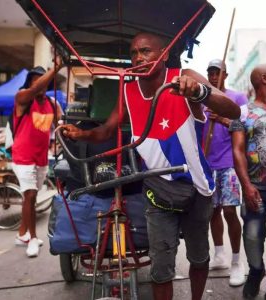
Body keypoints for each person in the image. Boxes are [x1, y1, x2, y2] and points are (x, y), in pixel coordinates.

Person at [61, 32, 241, 300]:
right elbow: (108, 130)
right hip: (157, 188)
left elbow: (233, 111)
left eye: (146, 51)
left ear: (164, 54)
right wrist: (82, 134)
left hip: (197, 187)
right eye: (134, 53)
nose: (138, 58)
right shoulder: (128, 90)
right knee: (160, 268)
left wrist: (199, 92)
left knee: (199, 258)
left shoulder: (183, 77)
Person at [229, 64, 266, 300]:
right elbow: (238, 151)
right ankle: (256, 271)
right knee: (253, 235)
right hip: (255, 188)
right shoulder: (242, 113)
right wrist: (246, 185)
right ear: (265, 78)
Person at [204, 59, 248, 287]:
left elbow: (246, 126)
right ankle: (219, 254)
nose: (213, 77)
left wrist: (221, 118)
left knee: (230, 211)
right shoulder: (202, 98)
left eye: (217, 73)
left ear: (226, 74)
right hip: (207, 163)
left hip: (229, 162)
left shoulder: (237, 97)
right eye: (210, 73)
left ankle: (236, 261)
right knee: (212, 211)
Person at [13, 59, 63, 258]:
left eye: (43, 80)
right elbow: (35, 89)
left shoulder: (52, 104)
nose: (39, 84)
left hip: (42, 156)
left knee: (31, 198)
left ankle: (21, 234)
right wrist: (56, 68)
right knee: (31, 196)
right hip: (22, 155)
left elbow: (59, 126)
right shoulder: (23, 98)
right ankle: (32, 238)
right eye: (36, 81)